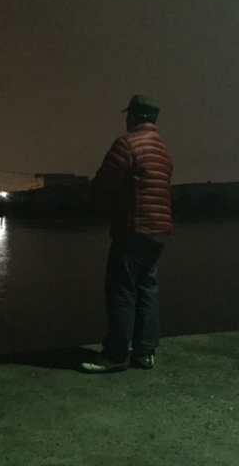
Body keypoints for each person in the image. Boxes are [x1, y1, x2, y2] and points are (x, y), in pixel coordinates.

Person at [81, 94, 173, 373]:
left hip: (133, 228)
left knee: (121, 290)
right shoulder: (162, 149)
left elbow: (103, 182)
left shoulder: (127, 144)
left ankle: (116, 354)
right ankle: (144, 353)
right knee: (147, 289)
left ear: (134, 116)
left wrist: (89, 196)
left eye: (129, 115)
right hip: (158, 230)